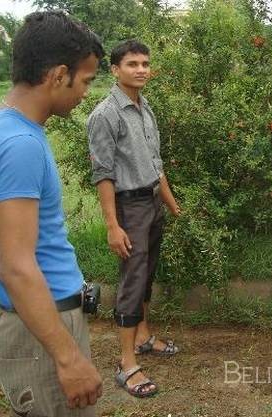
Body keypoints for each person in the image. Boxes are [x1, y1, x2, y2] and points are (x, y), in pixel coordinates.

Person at [0, 11, 104, 416]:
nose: (86, 93)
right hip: (42, 328)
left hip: (35, 323)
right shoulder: (20, 145)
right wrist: (68, 359)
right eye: (86, 81)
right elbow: (16, 266)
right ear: (58, 75)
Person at [87, 39, 181, 398]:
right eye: (132, 64)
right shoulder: (105, 114)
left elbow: (156, 164)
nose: (141, 69)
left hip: (152, 202)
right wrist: (113, 226)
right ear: (114, 70)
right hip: (129, 208)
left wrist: (171, 203)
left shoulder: (145, 108)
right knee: (131, 280)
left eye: (144, 63)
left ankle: (143, 337)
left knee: (146, 274)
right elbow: (104, 175)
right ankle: (126, 365)